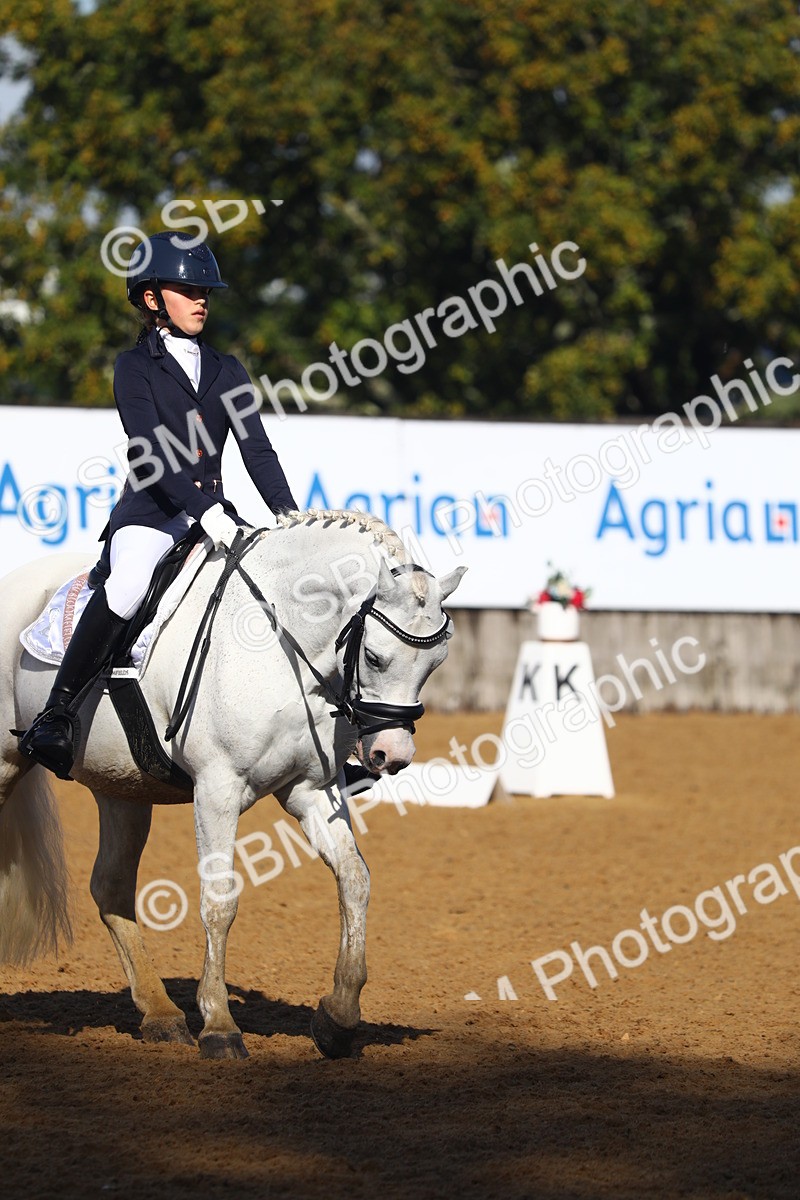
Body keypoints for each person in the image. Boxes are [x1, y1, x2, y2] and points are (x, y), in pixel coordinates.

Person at [18, 231, 298, 778]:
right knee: (127, 584)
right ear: (152, 299)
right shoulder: (134, 367)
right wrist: (204, 511)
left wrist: (289, 517)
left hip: (215, 514)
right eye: (188, 289)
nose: (202, 300)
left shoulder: (228, 369)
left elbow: (257, 451)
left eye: (206, 292)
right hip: (150, 515)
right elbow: (151, 455)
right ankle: (57, 714)